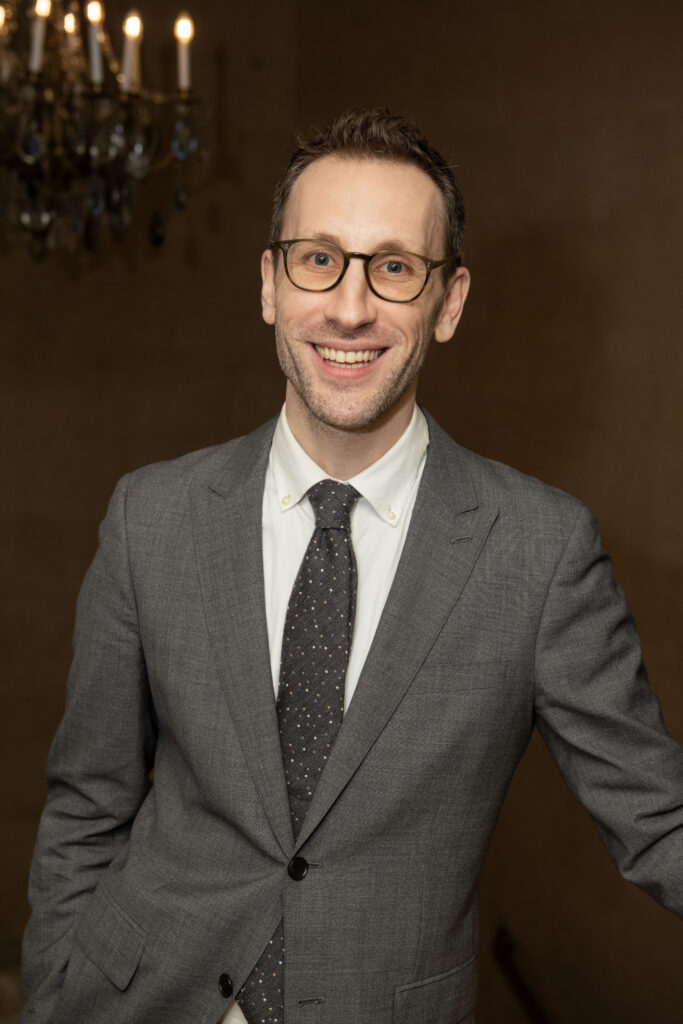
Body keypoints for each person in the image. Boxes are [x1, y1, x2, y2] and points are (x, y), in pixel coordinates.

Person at [20, 108, 682, 1024]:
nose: (348, 306)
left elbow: (659, 821)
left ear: (447, 304)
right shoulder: (150, 515)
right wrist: (54, 994)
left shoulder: (540, 551)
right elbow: (87, 804)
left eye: (395, 268)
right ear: (269, 285)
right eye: (317, 258)